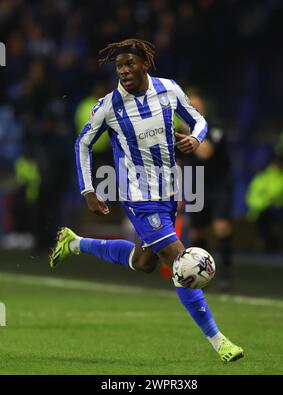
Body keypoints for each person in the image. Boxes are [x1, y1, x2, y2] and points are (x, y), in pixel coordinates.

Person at [49, 38, 243, 363]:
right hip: (138, 198)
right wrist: (88, 189)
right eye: (119, 66)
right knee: (181, 261)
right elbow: (82, 144)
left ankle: (75, 243)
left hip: (169, 192)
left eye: (129, 64)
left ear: (144, 64)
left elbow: (200, 120)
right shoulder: (108, 105)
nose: (123, 71)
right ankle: (219, 341)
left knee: (144, 263)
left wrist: (196, 138)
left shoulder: (169, 90)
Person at [175, 91, 234, 290]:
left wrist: (192, 132)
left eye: (196, 106)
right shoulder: (179, 131)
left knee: (221, 226)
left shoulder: (214, 127)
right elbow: (178, 163)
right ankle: (203, 276)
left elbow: (206, 153)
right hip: (196, 185)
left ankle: (226, 274)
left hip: (219, 184)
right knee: (198, 232)